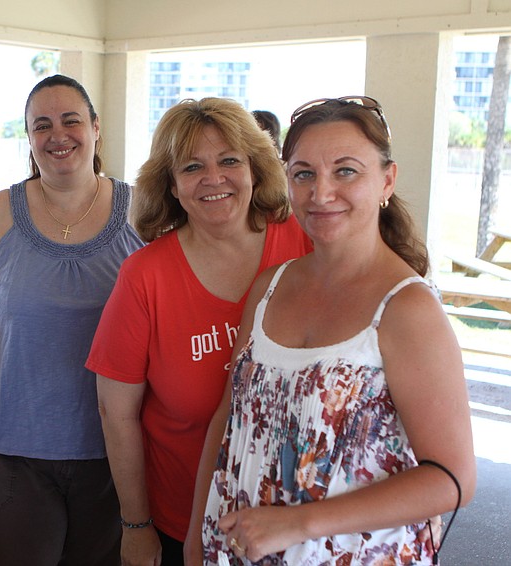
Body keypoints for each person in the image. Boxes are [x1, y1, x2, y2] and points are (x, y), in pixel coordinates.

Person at [199, 96, 476, 565]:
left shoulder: (406, 308)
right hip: (238, 549)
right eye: (303, 173)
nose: (320, 192)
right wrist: (197, 535)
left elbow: (453, 478)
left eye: (346, 171)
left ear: (387, 180)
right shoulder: (270, 286)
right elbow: (229, 417)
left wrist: (299, 523)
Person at [85, 97, 312, 566]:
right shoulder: (145, 275)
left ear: (255, 168)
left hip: (304, 515)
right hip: (183, 522)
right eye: (192, 167)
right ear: (171, 185)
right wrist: (135, 525)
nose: (214, 178)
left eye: (229, 160)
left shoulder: (306, 242)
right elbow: (116, 412)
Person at [0, 74, 143, 566]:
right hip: (7, 452)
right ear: (29, 137)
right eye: (42, 125)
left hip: (113, 455)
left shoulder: (142, 212)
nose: (57, 135)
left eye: (70, 120)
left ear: (96, 128)